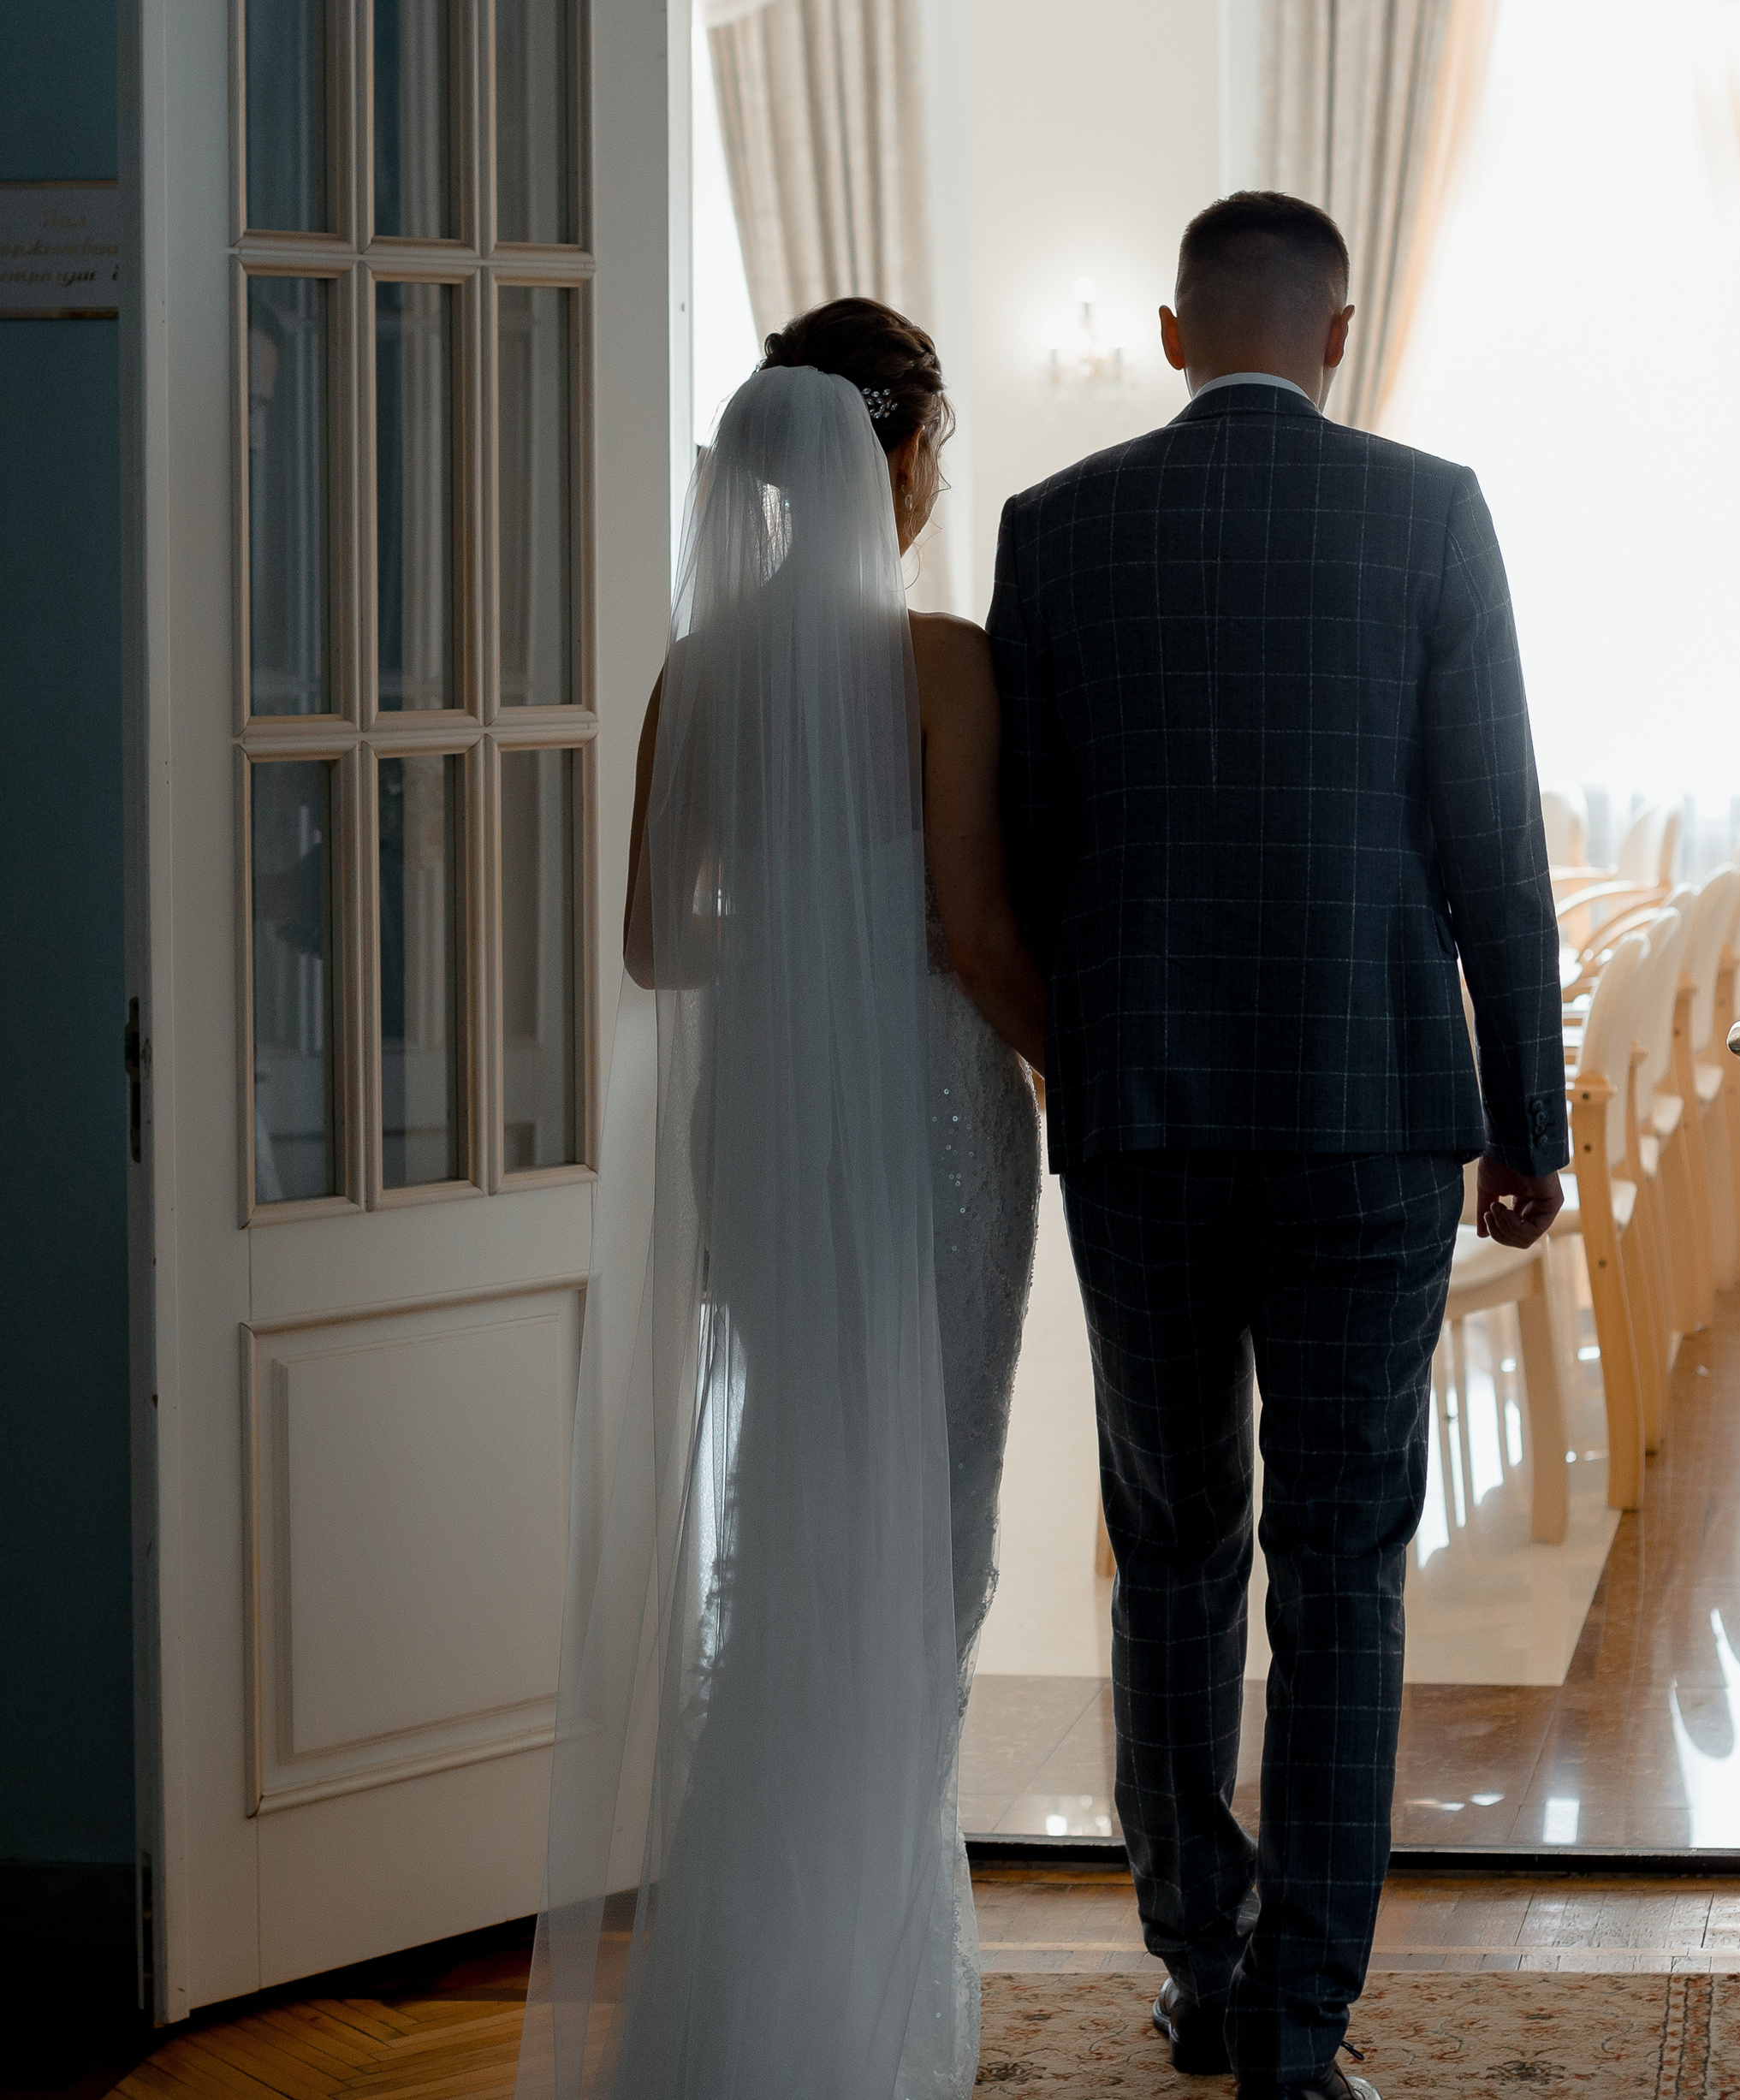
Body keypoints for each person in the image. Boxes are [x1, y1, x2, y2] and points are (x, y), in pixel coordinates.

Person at [989, 193, 1569, 2100]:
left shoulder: (1055, 530)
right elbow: (1490, 838)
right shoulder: (1429, 512)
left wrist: (1091, 1053)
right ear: (1334, 335)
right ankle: (1300, 2028)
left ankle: (1195, 1962)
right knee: (1345, 1569)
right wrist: (1525, 1121)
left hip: (1144, 1124)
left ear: (1170, 336)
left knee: (1172, 1560)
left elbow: (1031, 856)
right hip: (1364, 1115)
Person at [519, 301, 1043, 2100]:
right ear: (896, 461)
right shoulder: (940, 667)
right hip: (931, 1123)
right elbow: (976, 934)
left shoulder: (700, 676)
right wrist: (1096, 1069)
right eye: (936, 453)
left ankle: (753, 2002)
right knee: (922, 1552)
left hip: (765, 1123)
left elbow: (656, 947)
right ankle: (865, 2013)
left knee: (797, 1523)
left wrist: (799, 944)